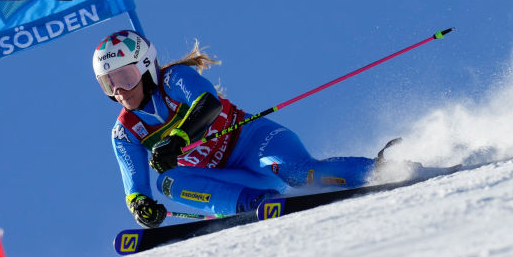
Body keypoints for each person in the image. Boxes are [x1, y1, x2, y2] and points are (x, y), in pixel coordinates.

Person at [94, 29, 422, 228]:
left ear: (147, 68)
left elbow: (209, 105)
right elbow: (135, 186)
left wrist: (178, 138)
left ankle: (386, 170)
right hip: (232, 179)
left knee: (298, 173)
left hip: (256, 144)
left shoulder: (174, 80)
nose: (119, 91)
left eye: (125, 77)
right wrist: (142, 206)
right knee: (167, 182)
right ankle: (255, 204)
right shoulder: (125, 132)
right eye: (109, 84)